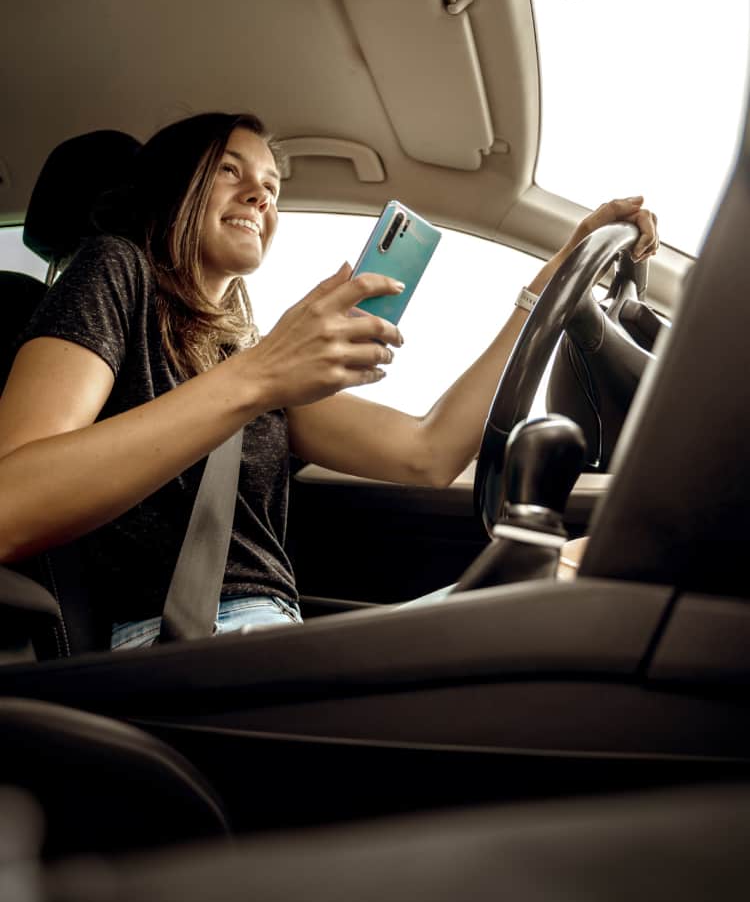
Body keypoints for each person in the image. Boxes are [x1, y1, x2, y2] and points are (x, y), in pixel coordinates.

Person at [0, 113, 659, 648]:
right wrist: (262, 373)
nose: (260, 194)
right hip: (181, 655)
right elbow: (12, 506)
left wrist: (551, 283)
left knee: (591, 567)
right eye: (229, 170)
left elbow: (429, 450)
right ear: (174, 185)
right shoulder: (116, 270)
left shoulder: (245, 358)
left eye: (272, 185)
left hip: (273, 641)